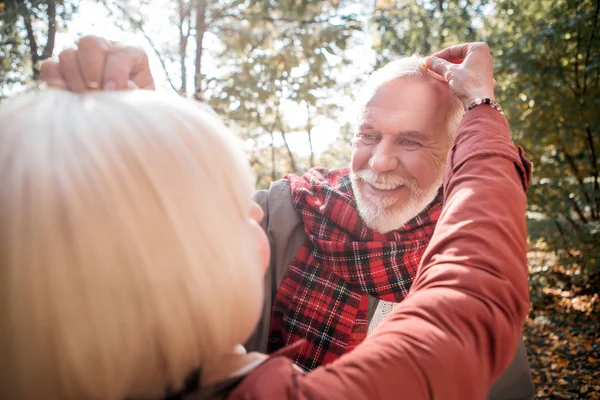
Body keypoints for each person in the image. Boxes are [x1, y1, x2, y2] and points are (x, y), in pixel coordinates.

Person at [40, 39, 534, 399]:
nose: (380, 161)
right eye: (368, 135)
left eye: (410, 140)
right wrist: (132, 128)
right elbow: (152, 244)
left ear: (453, 154)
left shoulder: (450, 231)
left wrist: (138, 123)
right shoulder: (283, 211)